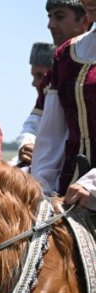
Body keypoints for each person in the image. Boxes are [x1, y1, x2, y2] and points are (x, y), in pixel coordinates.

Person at [35, 0, 96, 198]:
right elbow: (51, 132)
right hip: (69, 184)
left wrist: (92, 184)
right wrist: (40, 184)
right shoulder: (67, 53)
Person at [12, 42, 57, 166]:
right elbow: (32, 127)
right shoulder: (43, 102)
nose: (34, 83)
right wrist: (26, 144)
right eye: (34, 76)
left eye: (40, 76)